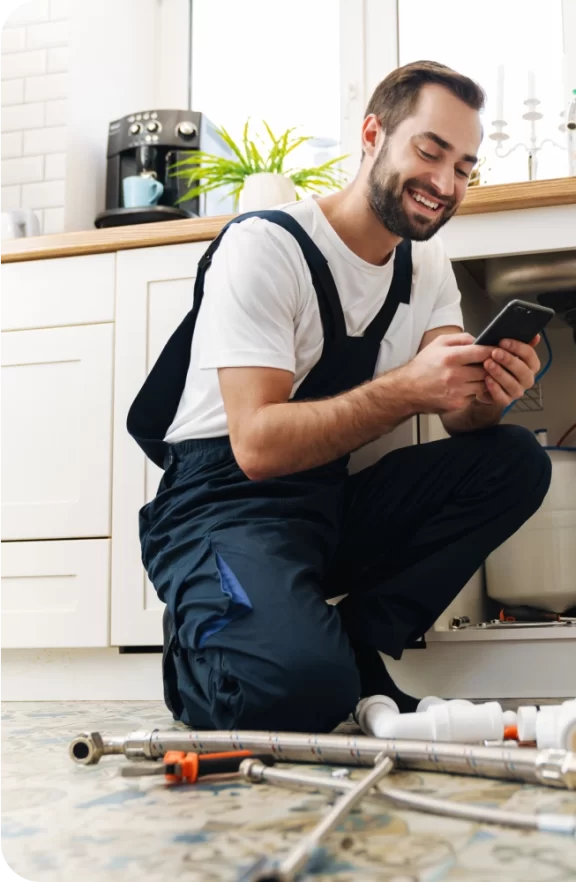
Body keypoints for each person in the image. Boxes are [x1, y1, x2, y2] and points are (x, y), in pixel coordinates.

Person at [126, 60, 552, 734]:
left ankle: (355, 642)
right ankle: (206, 646)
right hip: (220, 506)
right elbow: (258, 445)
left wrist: (490, 393)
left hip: (325, 502)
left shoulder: (425, 264)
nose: (445, 184)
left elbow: (459, 416)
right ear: (373, 134)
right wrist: (405, 389)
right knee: (296, 696)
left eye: (465, 168)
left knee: (515, 459)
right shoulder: (267, 246)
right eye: (429, 151)